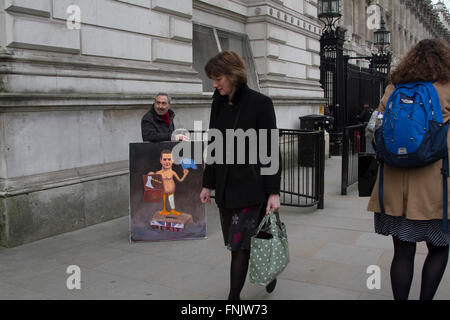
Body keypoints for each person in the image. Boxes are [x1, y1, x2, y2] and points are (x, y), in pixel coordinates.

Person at [367, 39, 450, 300]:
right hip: (436, 187)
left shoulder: (394, 88)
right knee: (439, 248)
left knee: (403, 252)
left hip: (395, 188)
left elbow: (374, 129)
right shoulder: (447, 88)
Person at [199, 51, 281, 300]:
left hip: (251, 189)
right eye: (212, 79)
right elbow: (213, 144)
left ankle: (233, 298)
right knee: (243, 244)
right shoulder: (217, 102)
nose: (214, 84)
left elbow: (270, 150)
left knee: (239, 247)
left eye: (218, 78)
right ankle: (270, 267)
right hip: (225, 189)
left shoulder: (260, 104)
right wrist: (207, 185)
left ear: (233, 74)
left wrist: (273, 192)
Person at [148, 149, 189, 216]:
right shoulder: (159, 173)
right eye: (164, 159)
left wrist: (185, 174)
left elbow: (180, 180)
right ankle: (164, 209)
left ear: (172, 160)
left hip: (171, 191)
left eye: (169, 159)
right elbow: (153, 184)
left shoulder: (173, 172)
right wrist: (150, 176)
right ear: (160, 160)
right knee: (164, 200)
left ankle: (173, 210)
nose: (167, 162)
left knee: (171, 200)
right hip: (163, 191)